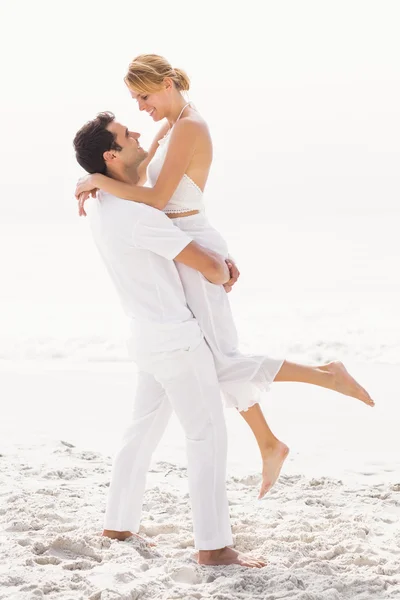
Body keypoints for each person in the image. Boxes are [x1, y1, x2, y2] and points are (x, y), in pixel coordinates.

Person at [75, 56, 375, 499]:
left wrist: (96, 180)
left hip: (192, 239)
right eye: (134, 98)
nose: (140, 107)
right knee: (218, 356)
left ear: (169, 83)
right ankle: (270, 443)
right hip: (183, 246)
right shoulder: (169, 128)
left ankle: (327, 376)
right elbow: (137, 174)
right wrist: (93, 179)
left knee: (220, 358)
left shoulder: (191, 126)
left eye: (144, 95)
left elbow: (156, 198)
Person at [73, 113, 267, 568]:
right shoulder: (137, 215)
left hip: (145, 336)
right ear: (111, 154)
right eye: (127, 133)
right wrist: (226, 270)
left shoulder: (104, 200)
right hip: (176, 342)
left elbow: (142, 165)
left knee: (141, 431)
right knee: (206, 436)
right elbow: (207, 265)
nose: (138, 132)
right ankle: (215, 548)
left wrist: (88, 178)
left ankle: (118, 523)